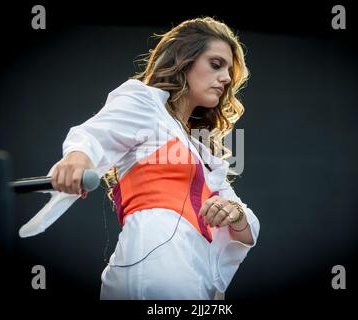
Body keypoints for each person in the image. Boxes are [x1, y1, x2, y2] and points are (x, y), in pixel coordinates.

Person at [49, 17, 260, 300]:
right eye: (215, 64)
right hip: (156, 264)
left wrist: (232, 211)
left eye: (228, 71)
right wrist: (77, 158)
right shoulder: (145, 102)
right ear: (185, 60)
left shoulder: (203, 151)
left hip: (198, 278)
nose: (225, 78)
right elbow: (94, 134)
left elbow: (249, 230)